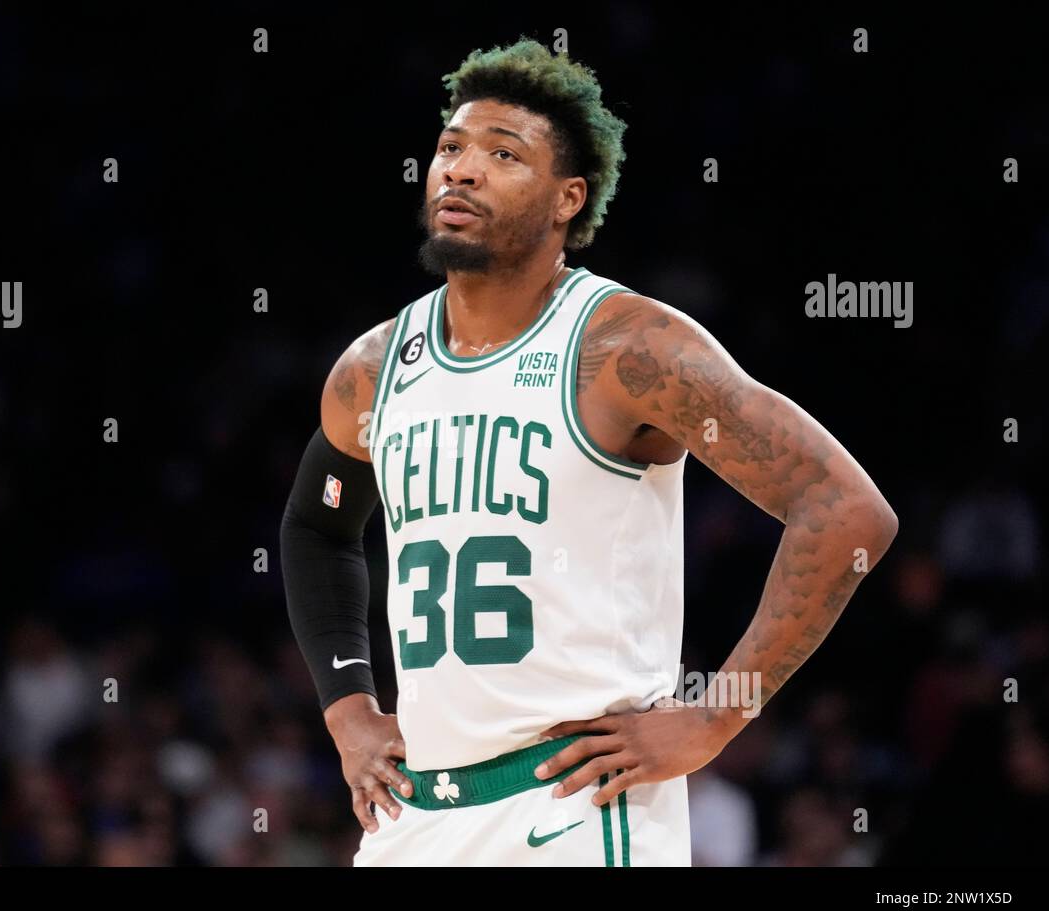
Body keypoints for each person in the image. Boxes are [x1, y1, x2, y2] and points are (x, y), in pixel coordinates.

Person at [280, 38, 897, 866]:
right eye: (451, 148)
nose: (461, 170)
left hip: (576, 807)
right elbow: (316, 530)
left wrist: (717, 714)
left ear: (569, 198)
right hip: (418, 815)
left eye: (504, 155)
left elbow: (845, 509)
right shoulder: (374, 367)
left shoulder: (626, 349)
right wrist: (348, 707)